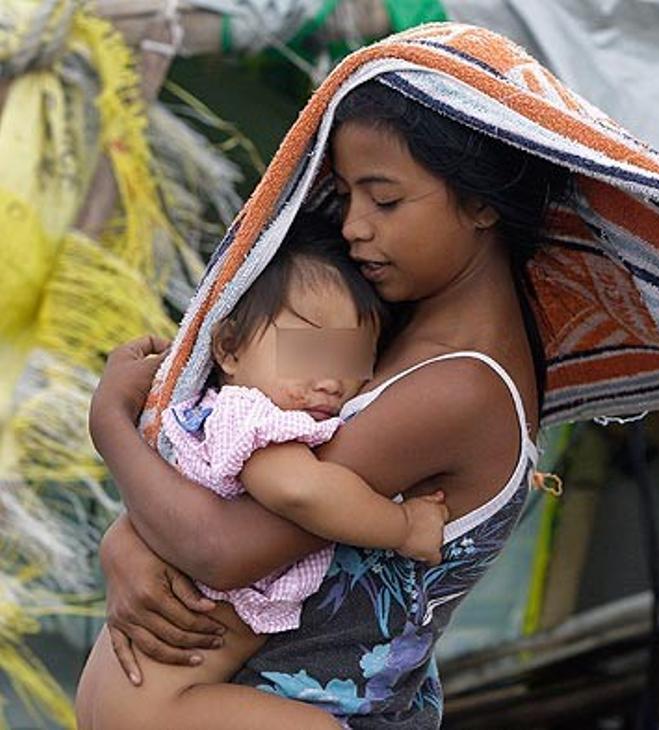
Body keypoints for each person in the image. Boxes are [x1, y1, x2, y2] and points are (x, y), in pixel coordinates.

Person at [83, 79, 570, 728]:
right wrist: (124, 544)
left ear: (480, 204)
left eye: (386, 199)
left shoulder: (456, 387)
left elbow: (220, 548)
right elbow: (225, 466)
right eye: (345, 196)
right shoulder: (382, 330)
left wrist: (110, 424)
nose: (354, 226)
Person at [75, 219, 453, 728]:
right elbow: (301, 491)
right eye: (308, 350)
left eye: (352, 362)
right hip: (162, 704)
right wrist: (404, 526)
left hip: (116, 694)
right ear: (228, 349)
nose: (329, 382)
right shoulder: (253, 418)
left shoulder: (206, 421)